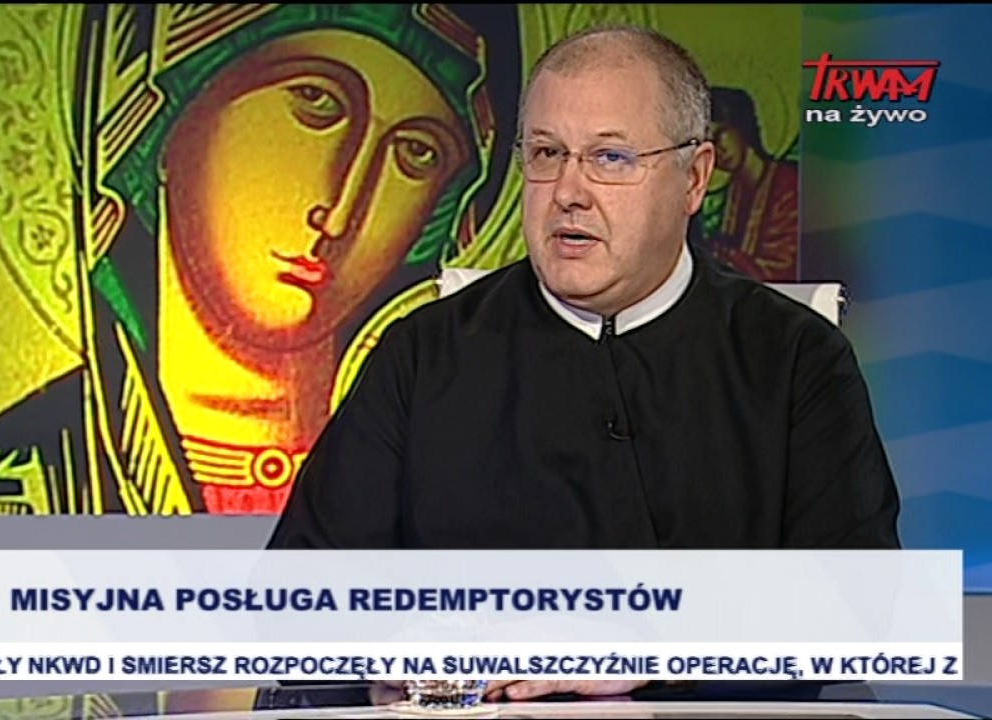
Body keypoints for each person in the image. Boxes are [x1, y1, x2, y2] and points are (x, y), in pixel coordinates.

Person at [267, 23, 901, 702]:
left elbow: (860, 605)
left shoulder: (796, 356)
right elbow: (297, 601)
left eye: (610, 158)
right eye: (546, 153)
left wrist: (663, 646)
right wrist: (388, 656)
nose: (568, 191)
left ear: (694, 178)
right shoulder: (423, 354)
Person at [0, 4, 500, 516]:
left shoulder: (463, 489)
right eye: (315, 102)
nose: (342, 213)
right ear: (165, 121)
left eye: (417, 152)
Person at [703, 87, 799, 282]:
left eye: (720, 134)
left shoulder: (789, 184)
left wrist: (726, 258)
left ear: (741, 127)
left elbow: (781, 265)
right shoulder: (733, 192)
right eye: (707, 143)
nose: (718, 148)